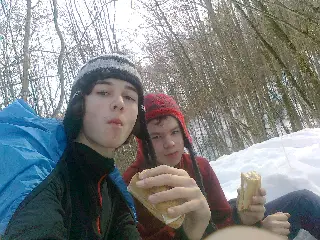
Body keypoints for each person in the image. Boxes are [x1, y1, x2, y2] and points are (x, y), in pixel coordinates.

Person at [3, 53, 158, 239]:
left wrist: (197, 227)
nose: (119, 103)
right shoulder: (39, 170)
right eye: (103, 92)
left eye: (130, 97)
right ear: (78, 104)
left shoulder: (114, 190)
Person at [123, 93, 267, 239]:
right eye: (156, 137)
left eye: (174, 132)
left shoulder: (200, 166)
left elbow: (223, 220)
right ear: (144, 143)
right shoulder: (129, 185)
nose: (170, 143)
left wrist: (245, 219)